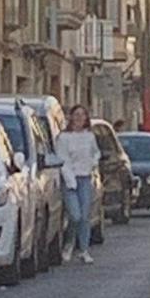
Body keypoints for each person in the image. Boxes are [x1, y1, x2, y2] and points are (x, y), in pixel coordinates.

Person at [59, 104, 102, 264]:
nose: (79, 118)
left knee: (85, 216)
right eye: (76, 115)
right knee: (75, 215)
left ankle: (84, 249)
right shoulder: (64, 138)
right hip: (70, 179)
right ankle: (69, 243)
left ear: (86, 119)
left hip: (85, 178)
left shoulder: (89, 136)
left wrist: (93, 162)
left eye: (82, 115)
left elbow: (96, 152)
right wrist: (69, 179)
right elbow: (62, 158)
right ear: (71, 117)